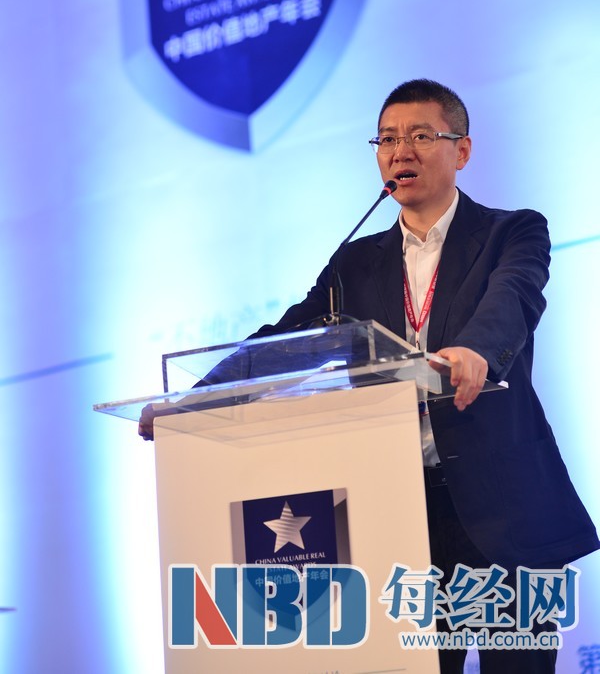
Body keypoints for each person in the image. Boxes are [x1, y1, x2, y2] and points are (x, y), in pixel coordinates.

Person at [140, 79, 598, 672]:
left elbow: (512, 298)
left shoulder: (512, 232)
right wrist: (194, 402)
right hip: (399, 512)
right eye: (387, 139)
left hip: (504, 511)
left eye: (421, 136)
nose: (401, 151)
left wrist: (474, 351)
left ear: (461, 150)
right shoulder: (355, 263)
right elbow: (287, 341)